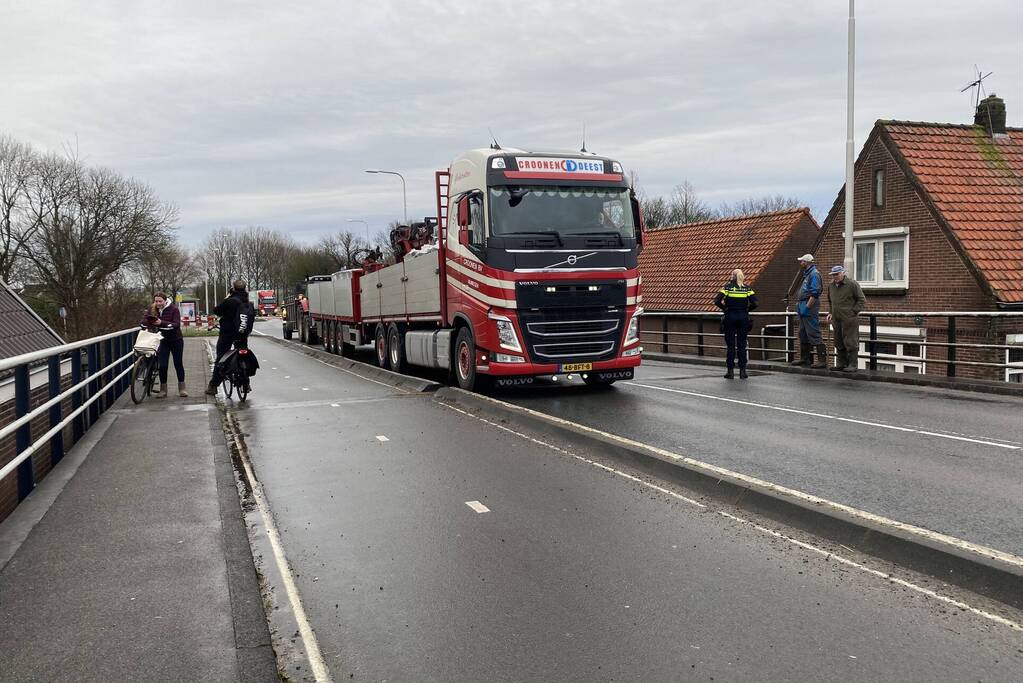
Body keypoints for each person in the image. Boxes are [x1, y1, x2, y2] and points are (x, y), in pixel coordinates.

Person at [206, 280, 255, 396]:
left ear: (233, 288)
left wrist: (227, 297)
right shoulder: (248, 302)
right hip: (242, 333)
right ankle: (246, 383)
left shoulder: (230, 301)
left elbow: (217, 311)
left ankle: (213, 386)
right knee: (244, 354)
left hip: (228, 333)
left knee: (221, 358)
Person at [714, 269, 758, 379]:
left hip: (730, 317)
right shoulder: (747, 288)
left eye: (731, 274)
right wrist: (747, 309)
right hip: (743, 317)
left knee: (731, 345)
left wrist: (725, 309)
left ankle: (730, 371)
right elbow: (756, 303)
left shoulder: (727, 287)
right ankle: (743, 371)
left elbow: (717, 301)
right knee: (742, 344)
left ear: (734, 276)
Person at [825, 265, 866, 372]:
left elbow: (861, 300)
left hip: (850, 319)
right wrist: (830, 312)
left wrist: (853, 312)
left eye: (837, 274)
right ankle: (841, 364)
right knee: (838, 341)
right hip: (836, 319)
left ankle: (853, 365)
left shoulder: (852, 284)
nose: (835, 277)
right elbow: (830, 301)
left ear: (843, 273)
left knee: (851, 341)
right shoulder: (831, 286)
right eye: (833, 274)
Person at [790, 254, 826, 369]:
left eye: (802, 261)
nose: (801, 263)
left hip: (809, 305)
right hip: (802, 304)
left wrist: (807, 307)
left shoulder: (814, 274)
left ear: (807, 262)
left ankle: (822, 360)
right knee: (803, 332)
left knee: (813, 331)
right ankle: (805, 358)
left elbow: (815, 293)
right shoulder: (807, 274)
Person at [149, 293, 187, 398]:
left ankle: (182, 388)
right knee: (163, 365)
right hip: (163, 340)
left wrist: (162, 323)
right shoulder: (153, 309)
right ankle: (163, 390)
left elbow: (176, 324)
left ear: (165, 301)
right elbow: (146, 319)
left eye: (160, 301)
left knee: (178, 363)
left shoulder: (174, 309)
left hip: (176, 340)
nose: (158, 303)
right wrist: (144, 323)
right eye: (156, 301)